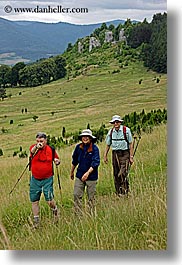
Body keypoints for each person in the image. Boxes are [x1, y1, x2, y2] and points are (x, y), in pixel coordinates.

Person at [29, 132, 60, 227]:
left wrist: (57, 161)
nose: (39, 143)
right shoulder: (33, 148)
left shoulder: (51, 149)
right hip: (35, 179)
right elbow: (32, 151)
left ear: (46, 141)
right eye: (38, 141)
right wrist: (37, 147)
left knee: (49, 200)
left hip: (47, 178)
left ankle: (55, 210)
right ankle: (36, 221)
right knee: (34, 200)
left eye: (41, 141)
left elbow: (56, 158)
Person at [70, 129, 100, 215]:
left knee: (91, 197)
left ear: (90, 138)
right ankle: (78, 215)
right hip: (79, 175)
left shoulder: (95, 149)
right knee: (76, 194)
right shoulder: (78, 148)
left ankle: (91, 214)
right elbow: (74, 161)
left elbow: (96, 163)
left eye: (87, 137)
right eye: (83, 136)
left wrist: (88, 173)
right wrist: (72, 172)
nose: (85, 138)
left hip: (92, 177)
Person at [104, 115, 134, 196]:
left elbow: (131, 144)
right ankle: (119, 192)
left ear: (120, 122)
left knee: (122, 173)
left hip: (125, 153)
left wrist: (131, 157)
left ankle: (125, 190)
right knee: (116, 173)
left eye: (117, 122)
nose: (116, 123)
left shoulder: (126, 130)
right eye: (114, 122)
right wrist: (105, 156)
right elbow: (108, 144)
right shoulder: (110, 132)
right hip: (115, 154)